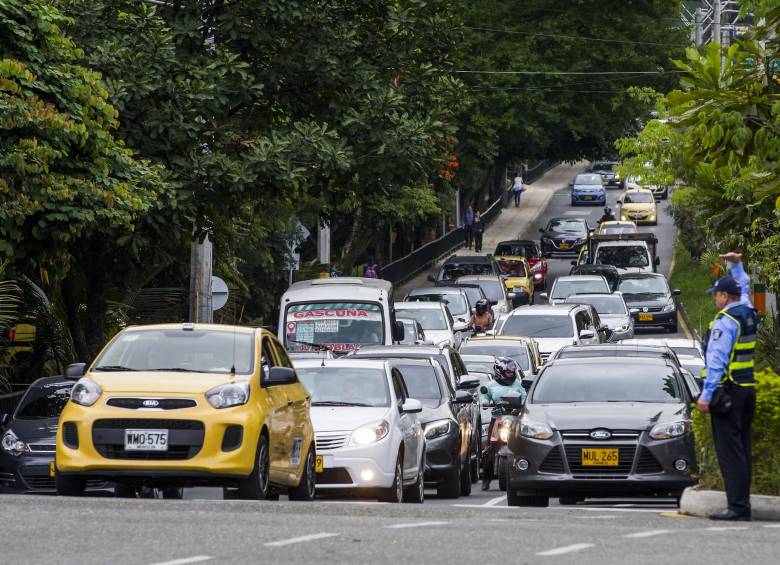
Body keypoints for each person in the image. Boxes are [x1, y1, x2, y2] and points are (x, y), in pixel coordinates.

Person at [696, 252, 757, 521]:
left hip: (728, 393)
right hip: (746, 389)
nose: (714, 298)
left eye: (716, 294)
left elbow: (717, 362)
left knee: (731, 454)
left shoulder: (724, 322)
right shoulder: (748, 312)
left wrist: (706, 396)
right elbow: (743, 286)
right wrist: (736, 265)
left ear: (724, 297)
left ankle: (738, 507)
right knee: (742, 449)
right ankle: (742, 503)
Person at [480, 357, 527, 490]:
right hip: (497, 419)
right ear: (500, 372)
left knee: (524, 444)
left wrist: (524, 404)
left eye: (512, 372)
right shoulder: (491, 385)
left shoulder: (518, 384)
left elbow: (524, 397)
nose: (511, 374)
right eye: (508, 372)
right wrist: (485, 402)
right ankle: (486, 479)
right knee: (489, 448)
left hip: (515, 419)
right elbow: (485, 397)